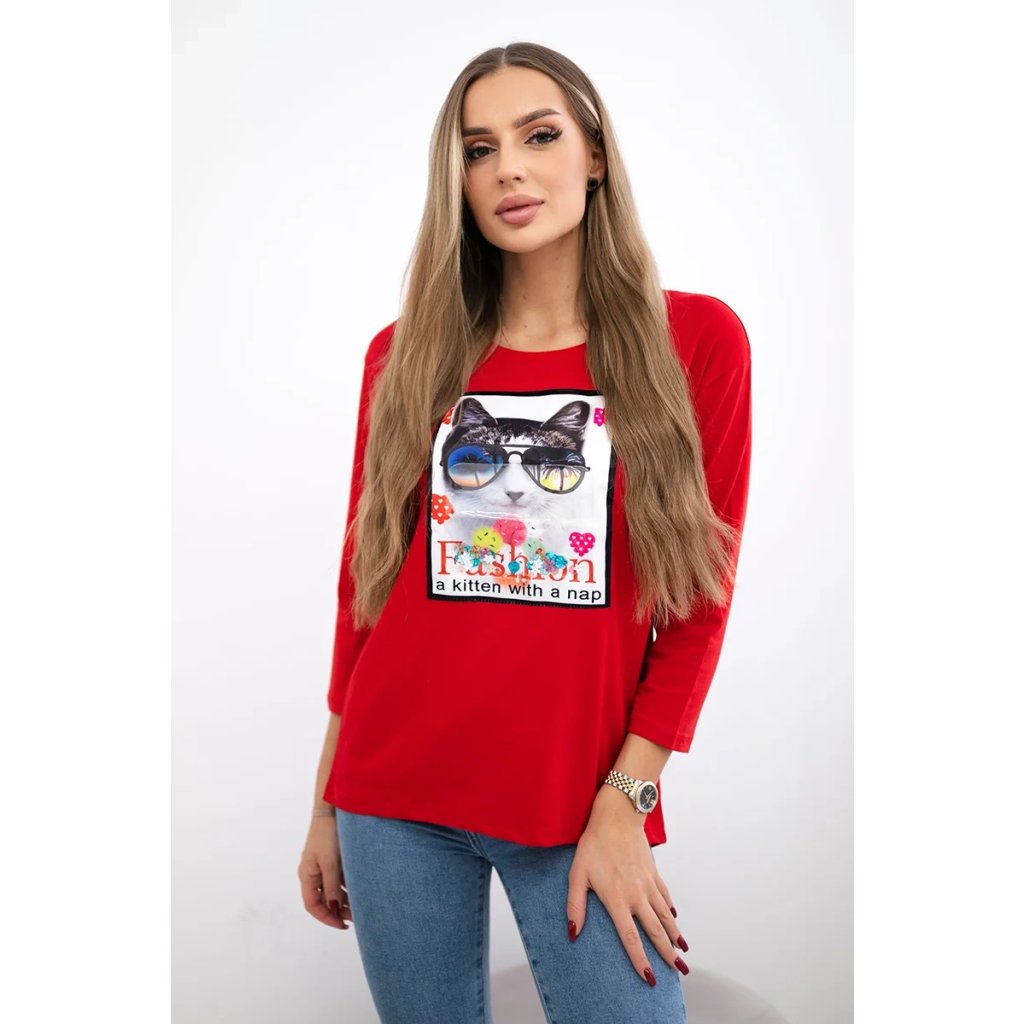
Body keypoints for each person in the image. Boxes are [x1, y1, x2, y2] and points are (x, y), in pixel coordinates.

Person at [297, 41, 752, 1024]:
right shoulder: (402, 356)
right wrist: (326, 800)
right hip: (392, 798)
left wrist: (626, 802)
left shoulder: (694, 342)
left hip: (577, 800)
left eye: (538, 136)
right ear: (456, 179)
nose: (508, 168)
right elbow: (364, 589)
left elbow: (697, 608)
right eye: (478, 149)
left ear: (595, 155)